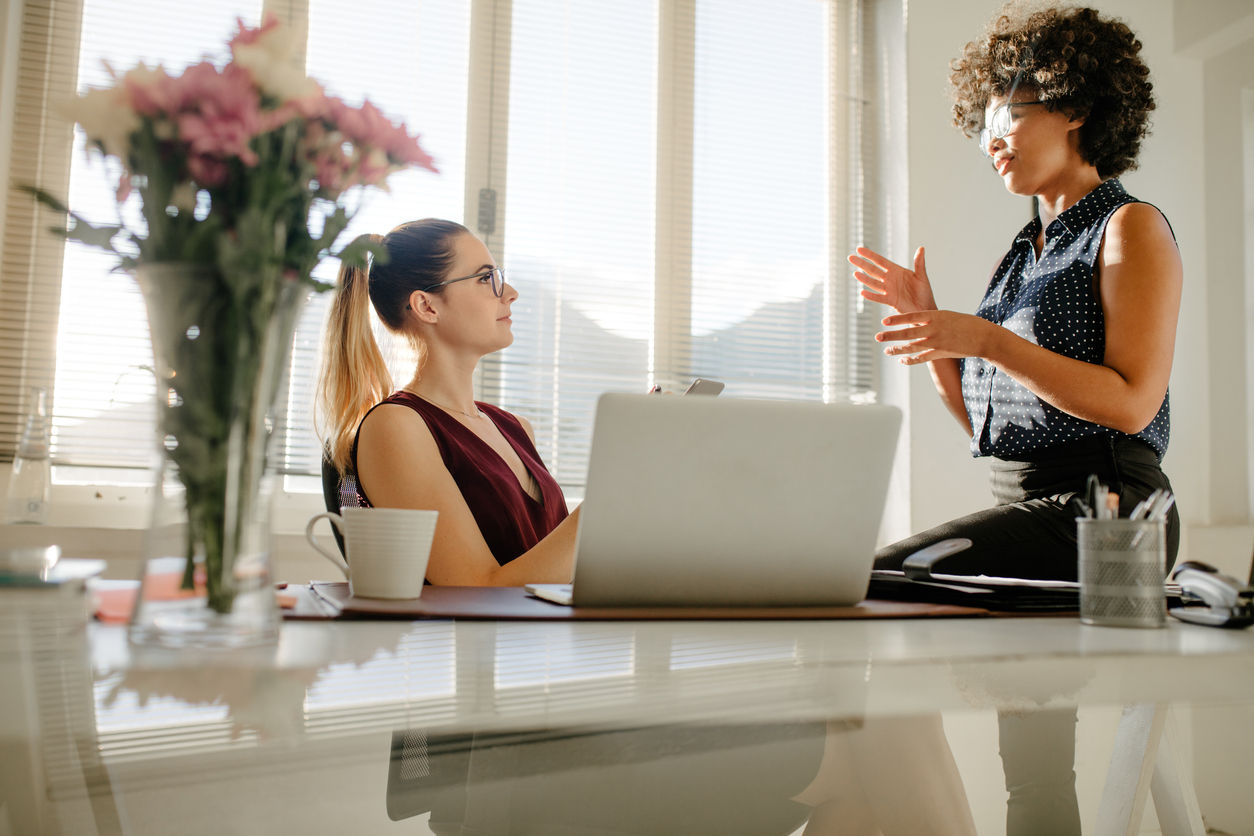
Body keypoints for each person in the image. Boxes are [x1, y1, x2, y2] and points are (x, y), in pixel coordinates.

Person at [850, 5, 1182, 834]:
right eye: (984, 121)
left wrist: (984, 336)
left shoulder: (1127, 227)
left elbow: (1133, 401)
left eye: (1012, 112)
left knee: (872, 579)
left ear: (1074, 106)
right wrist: (938, 333)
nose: (992, 135)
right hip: (1030, 505)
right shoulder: (1021, 253)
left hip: (1113, 517)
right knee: (1032, 782)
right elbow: (983, 426)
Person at [317, 219, 578, 586]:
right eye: (486, 279)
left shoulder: (516, 428)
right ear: (426, 306)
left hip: (548, 641)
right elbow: (472, 588)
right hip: (469, 643)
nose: (511, 292)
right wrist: (607, 503)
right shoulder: (395, 425)